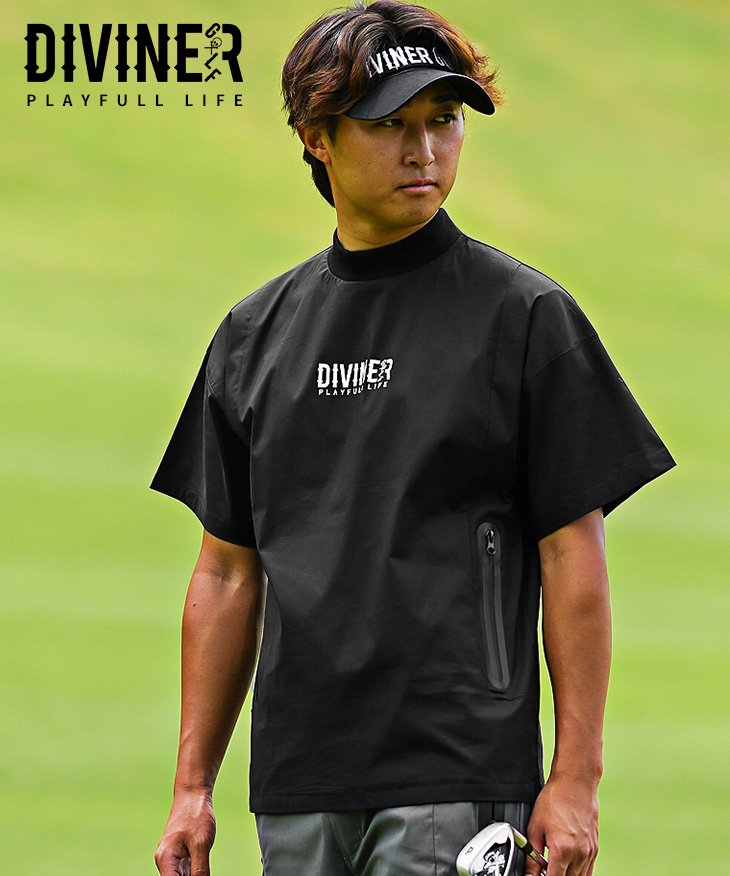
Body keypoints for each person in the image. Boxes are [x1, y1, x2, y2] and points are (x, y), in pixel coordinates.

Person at [150, 2, 676, 874]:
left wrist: (576, 778)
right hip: (297, 782)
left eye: (444, 120)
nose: (424, 150)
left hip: (457, 772)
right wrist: (191, 787)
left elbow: (572, 554)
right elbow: (226, 572)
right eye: (390, 124)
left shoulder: (525, 319)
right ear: (317, 137)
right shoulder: (253, 337)